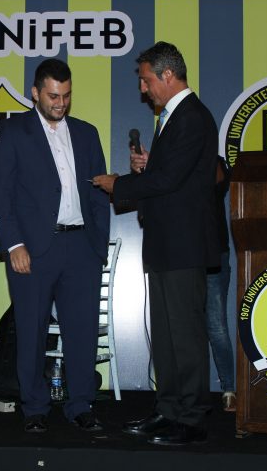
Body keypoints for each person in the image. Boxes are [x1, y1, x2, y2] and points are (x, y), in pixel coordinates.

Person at [93, 41, 219, 445]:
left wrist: (120, 185)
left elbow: (170, 180)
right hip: (167, 243)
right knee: (165, 335)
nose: (143, 89)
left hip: (183, 244)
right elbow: (172, 173)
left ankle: (192, 418)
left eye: (146, 80)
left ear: (167, 75)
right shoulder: (173, 117)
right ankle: (168, 410)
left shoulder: (192, 116)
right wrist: (150, 167)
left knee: (184, 334)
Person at [0, 58, 111, 434]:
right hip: (32, 249)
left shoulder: (87, 133)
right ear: (36, 93)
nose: (61, 103)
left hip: (81, 248)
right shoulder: (14, 132)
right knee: (31, 330)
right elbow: (1, 193)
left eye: (67, 95)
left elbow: (98, 193)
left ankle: (81, 405)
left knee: (82, 331)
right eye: (54, 96)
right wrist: (14, 244)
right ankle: (35, 408)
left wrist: (97, 245)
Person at [207, 157, 236, 411]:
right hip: (184, 258)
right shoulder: (176, 161)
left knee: (216, 327)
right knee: (186, 329)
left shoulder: (215, 162)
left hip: (214, 256)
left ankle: (228, 388)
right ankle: (190, 391)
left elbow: (216, 181)